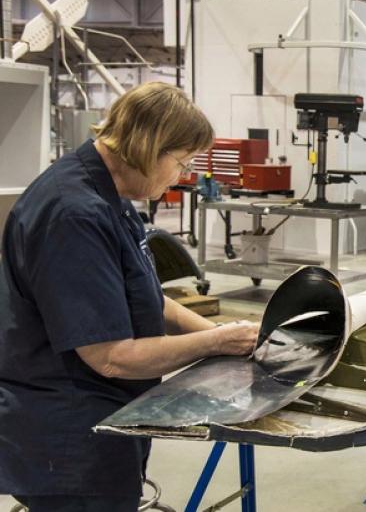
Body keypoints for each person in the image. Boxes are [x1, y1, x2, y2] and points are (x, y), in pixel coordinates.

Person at [0, 82, 260, 511]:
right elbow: (110, 356)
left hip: (100, 419)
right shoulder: (74, 214)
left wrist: (227, 335)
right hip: (67, 436)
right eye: (181, 162)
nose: (183, 176)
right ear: (150, 147)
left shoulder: (111, 195)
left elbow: (150, 299)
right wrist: (214, 344)